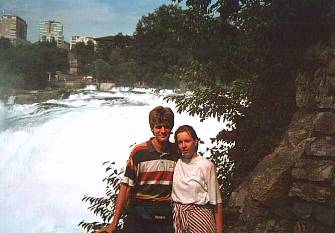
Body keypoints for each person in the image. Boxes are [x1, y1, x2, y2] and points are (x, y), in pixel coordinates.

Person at [96, 106, 179, 233]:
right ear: (152, 129)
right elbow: (125, 187)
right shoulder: (139, 152)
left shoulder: (177, 153)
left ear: (171, 128)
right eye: (158, 127)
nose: (163, 130)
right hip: (139, 211)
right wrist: (114, 223)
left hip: (165, 212)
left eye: (166, 127)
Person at [172, 125, 224, 233]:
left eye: (187, 141)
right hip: (179, 217)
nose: (183, 145)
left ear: (195, 142)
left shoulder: (206, 165)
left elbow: (217, 202)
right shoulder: (176, 162)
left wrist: (219, 231)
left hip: (200, 218)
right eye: (180, 142)